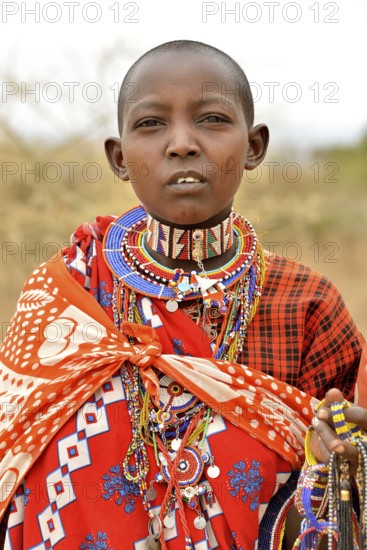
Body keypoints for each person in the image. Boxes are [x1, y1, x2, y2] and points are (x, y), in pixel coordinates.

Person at [0, 40, 365, 550]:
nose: (182, 143)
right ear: (119, 157)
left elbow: (349, 465)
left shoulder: (303, 303)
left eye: (212, 119)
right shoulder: (70, 294)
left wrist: (347, 462)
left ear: (254, 147)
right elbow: (14, 459)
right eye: (151, 124)